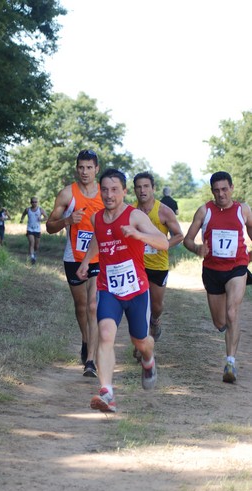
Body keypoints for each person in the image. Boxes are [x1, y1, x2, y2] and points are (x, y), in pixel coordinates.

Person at [77, 168, 169, 413]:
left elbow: (163, 242)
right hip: (109, 289)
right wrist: (87, 261)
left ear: (124, 191)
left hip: (137, 291)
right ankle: (107, 392)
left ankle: (148, 360)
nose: (109, 195)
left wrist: (138, 234)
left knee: (140, 341)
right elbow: (99, 238)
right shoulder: (97, 218)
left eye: (115, 189)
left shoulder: (135, 216)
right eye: (104, 189)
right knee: (106, 334)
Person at [183, 171, 252, 384]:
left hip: (237, 268)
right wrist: (197, 249)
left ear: (232, 188)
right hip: (212, 271)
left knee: (232, 313)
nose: (221, 194)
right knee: (220, 321)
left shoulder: (244, 210)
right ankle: (227, 334)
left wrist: (248, 257)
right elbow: (187, 240)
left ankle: (230, 361)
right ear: (212, 191)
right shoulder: (205, 211)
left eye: (224, 189)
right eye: (217, 190)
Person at [46, 149, 104, 377]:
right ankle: (85, 339)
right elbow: (50, 227)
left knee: (92, 306)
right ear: (76, 168)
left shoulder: (105, 193)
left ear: (97, 169)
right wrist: (68, 220)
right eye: (81, 167)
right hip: (73, 257)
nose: (85, 172)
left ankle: (91, 360)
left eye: (89, 167)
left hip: (99, 257)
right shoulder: (67, 194)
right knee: (81, 307)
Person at [133, 172, 184, 343]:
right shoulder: (130, 211)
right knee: (139, 307)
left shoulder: (164, 211)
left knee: (156, 306)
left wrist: (163, 245)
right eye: (139, 187)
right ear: (134, 190)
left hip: (158, 265)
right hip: (136, 266)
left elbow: (179, 235)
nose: (142, 190)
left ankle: (155, 321)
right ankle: (141, 342)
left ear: (153, 189)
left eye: (146, 186)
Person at [20, 197, 48, 264]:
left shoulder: (40, 210)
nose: (34, 203)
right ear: (31, 202)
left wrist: (41, 219)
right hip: (30, 229)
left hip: (37, 229)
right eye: (33, 202)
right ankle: (32, 257)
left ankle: (34, 254)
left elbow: (46, 217)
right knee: (31, 243)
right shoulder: (27, 210)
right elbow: (23, 215)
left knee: (36, 246)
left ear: (37, 202)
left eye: (35, 202)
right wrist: (22, 220)